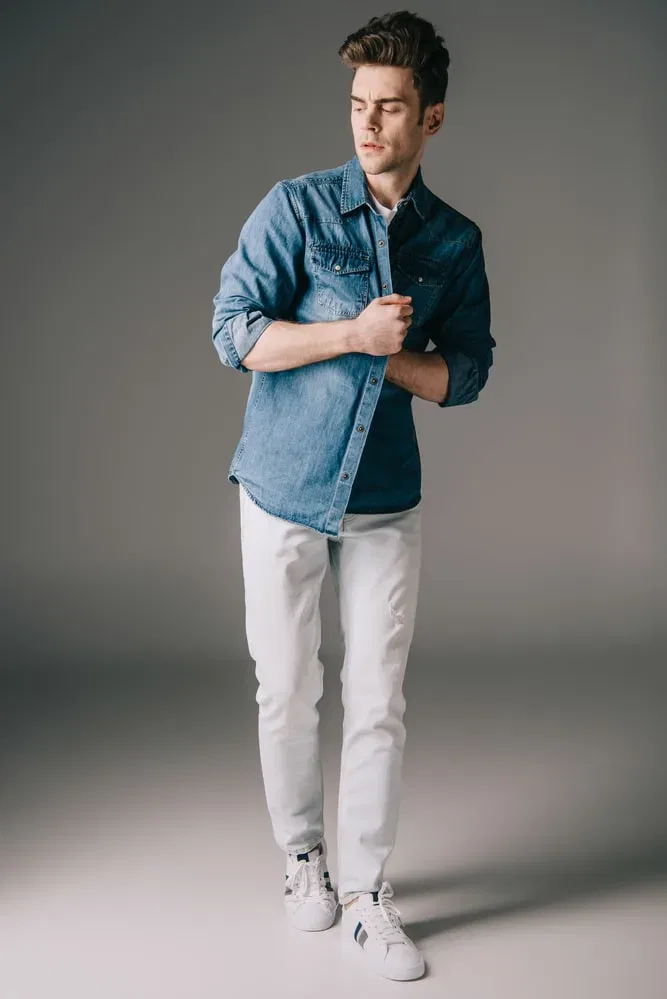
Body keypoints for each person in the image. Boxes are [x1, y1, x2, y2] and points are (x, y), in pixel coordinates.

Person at [211, 10, 495, 982]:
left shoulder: (452, 242)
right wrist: (350, 335)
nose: (367, 124)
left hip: (383, 497)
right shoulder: (294, 209)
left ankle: (369, 894)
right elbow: (233, 333)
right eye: (357, 104)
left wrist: (396, 357)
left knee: (378, 697)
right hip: (280, 485)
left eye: (390, 107)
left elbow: (466, 374)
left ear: (432, 118)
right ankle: (304, 857)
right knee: (288, 687)